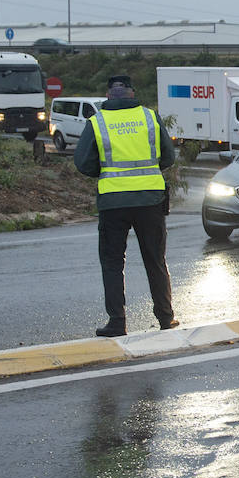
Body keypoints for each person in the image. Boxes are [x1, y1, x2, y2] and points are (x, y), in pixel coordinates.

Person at [73, 74, 179, 337]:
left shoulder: (97, 121)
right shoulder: (149, 118)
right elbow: (168, 156)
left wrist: (107, 171)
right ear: (133, 93)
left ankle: (117, 322)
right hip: (150, 201)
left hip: (113, 202)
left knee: (112, 263)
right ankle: (166, 318)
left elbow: (83, 163)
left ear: (108, 95)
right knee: (155, 260)